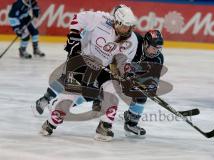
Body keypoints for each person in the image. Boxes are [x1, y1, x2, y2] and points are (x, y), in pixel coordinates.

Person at [36, 5, 138, 141]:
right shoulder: (100, 19)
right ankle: (51, 122)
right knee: (71, 94)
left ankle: (105, 126)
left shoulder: (132, 41)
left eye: (130, 26)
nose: (128, 30)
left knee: (112, 89)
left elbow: (124, 62)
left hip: (104, 68)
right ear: (116, 22)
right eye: (125, 26)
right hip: (83, 62)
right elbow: (78, 18)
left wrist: (124, 72)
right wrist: (73, 36)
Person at [93, 30, 164, 138]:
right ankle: (97, 97)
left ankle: (131, 124)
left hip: (129, 75)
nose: (156, 52)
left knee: (142, 94)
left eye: (158, 49)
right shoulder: (133, 42)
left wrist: (149, 87)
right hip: (112, 68)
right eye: (154, 48)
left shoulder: (158, 58)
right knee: (99, 86)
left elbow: (153, 79)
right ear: (145, 43)